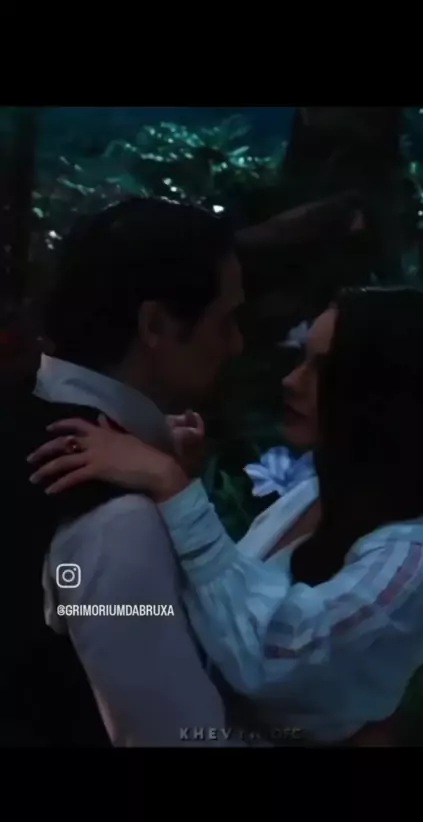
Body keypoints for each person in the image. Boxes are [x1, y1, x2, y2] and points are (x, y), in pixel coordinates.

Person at [28, 287, 423, 746]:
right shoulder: (314, 495)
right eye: (301, 359)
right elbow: (226, 618)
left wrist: (173, 485)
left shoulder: (416, 557)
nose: (291, 380)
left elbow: (270, 657)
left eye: (323, 368)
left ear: (386, 397)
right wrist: (178, 480)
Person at [12, 197, 246, 747]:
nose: (237, 345)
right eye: (225, 321)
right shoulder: (117, 519)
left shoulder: (19, 414)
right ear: (155, 325)